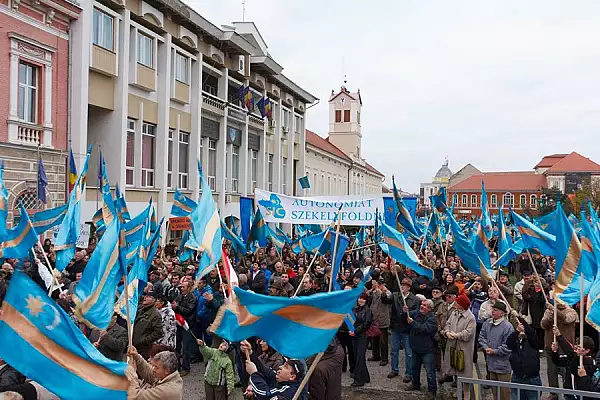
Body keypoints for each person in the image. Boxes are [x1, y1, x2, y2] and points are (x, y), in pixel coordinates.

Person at [441, 293, 476, 399]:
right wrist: (447, 332)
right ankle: (459, 390)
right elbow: (447, 324)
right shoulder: (454, 313)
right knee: (455, 368)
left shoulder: (471, 318)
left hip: (464, 348)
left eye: (457, 302)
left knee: (464, 371)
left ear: (462, 305)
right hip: (453, 345)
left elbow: (468, 333)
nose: (455, 303)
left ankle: (466, 394)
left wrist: (457, 335)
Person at [540, 302, 578, 397]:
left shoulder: (571, 311)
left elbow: (566, 319)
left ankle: (568, 394)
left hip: (565, 348)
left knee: (566, 372)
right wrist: (551, 316)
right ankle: (553, 393)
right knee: (551, 372)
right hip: (551, 346)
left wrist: (554, 310)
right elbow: (543, 325)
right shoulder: (549, 311)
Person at [479, 301, 514, 400]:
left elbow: (508, 346)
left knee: (504, 394)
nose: (492, 312)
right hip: (491, 364)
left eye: (495, 310)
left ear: (502, 313)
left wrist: (494, 351)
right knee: (495, 392)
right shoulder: (487, 323)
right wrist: (486, 348)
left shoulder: (508, 327)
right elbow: (481, 337)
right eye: (492, 310)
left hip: (503, 366)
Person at [386, 277, 419, 382]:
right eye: (401, 284)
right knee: (394, 351)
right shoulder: (396, 295)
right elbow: (386, 299)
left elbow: (417, 313)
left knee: (409, 353)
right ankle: (394, 369)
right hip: (396, 327)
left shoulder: (415, 299)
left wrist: (408, 312)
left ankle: (408, 373)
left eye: (404, 285)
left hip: (407, 329)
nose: (402, 286)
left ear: (408, 287)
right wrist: (383, 292)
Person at [405, 299, 438, 400]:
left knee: (430, 372)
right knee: (414, 368)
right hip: (415, 347)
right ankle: (415, 384)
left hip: (427, 349)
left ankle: (432, 390)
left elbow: (424, 329)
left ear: (429, 309)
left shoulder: (432, 319)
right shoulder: (417, 313)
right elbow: (407, 314)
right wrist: (404, 310)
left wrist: (413, 323)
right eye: (422, 304)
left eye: (424, 305)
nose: (421, 306)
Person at [506, 318, 542, 400]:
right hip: (517, 378)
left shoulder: (533, 342)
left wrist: (520, 319)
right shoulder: (515, 342)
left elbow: (531, 333)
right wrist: (517, 331)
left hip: (532, 380)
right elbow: (508, 342)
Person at [173, 279, 198, 376]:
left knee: (186, 348)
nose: (181, 288)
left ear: (189, 288)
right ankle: (177, 366)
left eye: (183, 287)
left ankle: (186, 367)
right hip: (178, 324)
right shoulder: (179, 296)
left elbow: (188, 310)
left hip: (188, 325)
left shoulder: (192, 298)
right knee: (177, 346)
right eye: (181, 286)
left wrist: (177, 307)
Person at [132, 292, 164, 360]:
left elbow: (158, 333)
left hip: (143, 349)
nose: (145, 298)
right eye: (145, 296)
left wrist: (144, 341)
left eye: (148, 296)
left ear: (153, 300)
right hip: (133, 345)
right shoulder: (140, 310)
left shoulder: (155, 315)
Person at [369, 277, 391, 366]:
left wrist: (382, 292)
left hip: (383, 319)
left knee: (383, 340)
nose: (379, 286)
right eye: (378, 284)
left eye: (381, 284)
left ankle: (384, 358)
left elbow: (385, 300)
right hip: (375, 318)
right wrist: (371, 290)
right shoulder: (374, 292)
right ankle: (376, 355)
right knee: (374, 338)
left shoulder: (387, 293)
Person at [351, 293, 372, 387]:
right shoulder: (355, 309)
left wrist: (355, 331)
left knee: (359, 358)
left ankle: (359, 380)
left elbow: (366, 324)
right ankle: (366, 377)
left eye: (363, 299)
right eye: (359, 298)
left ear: (366, 300)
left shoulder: (368, 310)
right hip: (355, 336)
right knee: (359, 357)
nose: (361, 300)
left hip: (363, 336)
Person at [437, 286, 458, 378]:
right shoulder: (442, 305)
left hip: (453, 335)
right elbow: (437, 318)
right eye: (446, 296)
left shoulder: (458, 306)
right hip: (442, 335)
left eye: (450, 296)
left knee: (455, 357)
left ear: (455, 297)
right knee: (445, 356)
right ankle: (448, 375)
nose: (447, 298)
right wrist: (440, 330)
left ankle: (457, 378)